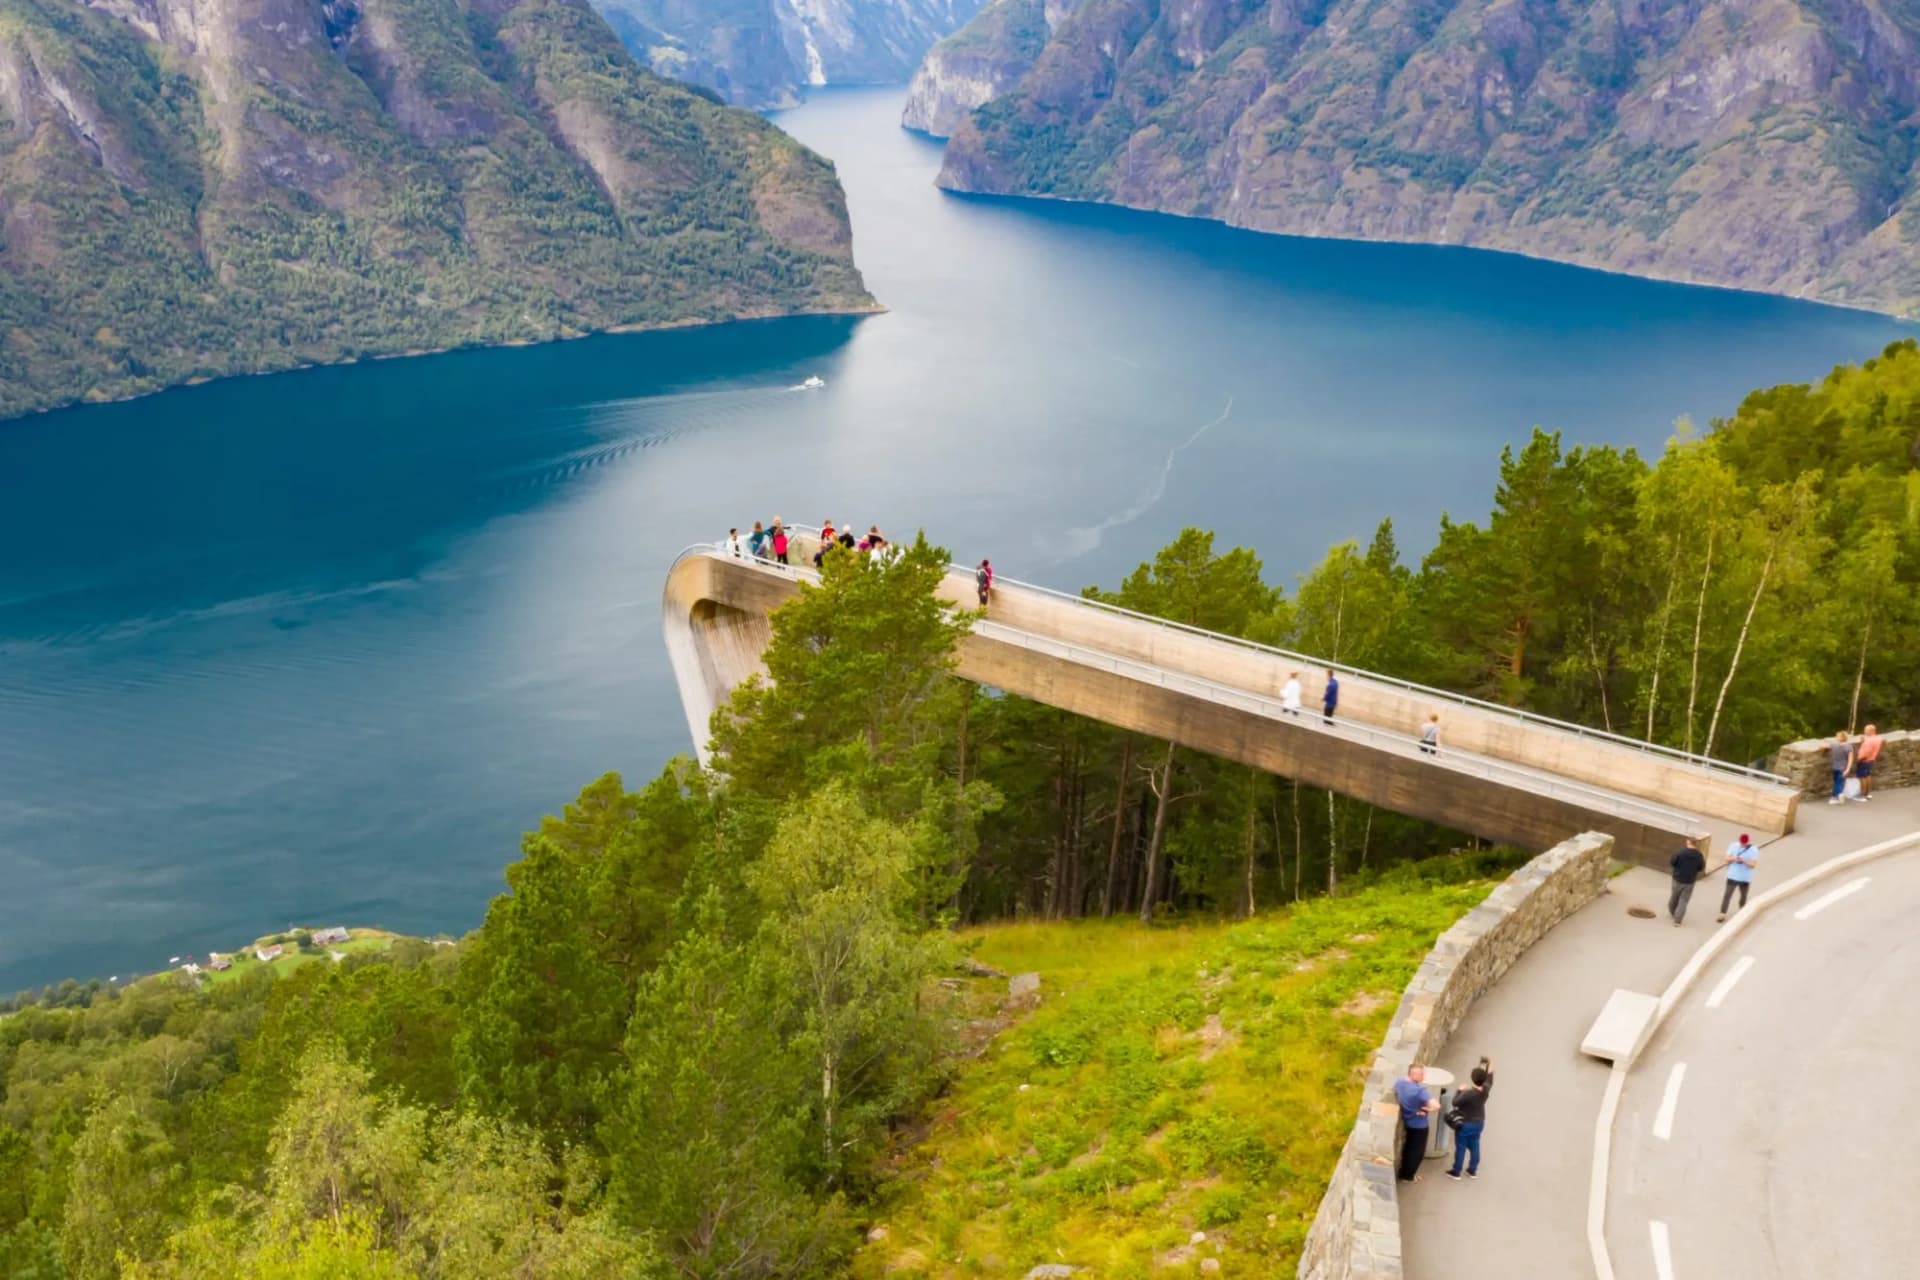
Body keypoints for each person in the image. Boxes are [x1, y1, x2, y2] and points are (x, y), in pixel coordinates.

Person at [1445, 1056, 1494, 1180]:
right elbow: (1490, 1076)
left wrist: (1459, 1090)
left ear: (1472, 1079)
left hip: (1466, 1123)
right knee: (1475, 1145)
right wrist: (1490, 1062)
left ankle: (1456, 1171)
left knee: (1461, 1147)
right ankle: (1472, 1170)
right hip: (1479, 1122)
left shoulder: (1468, 1094)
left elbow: (1455, 1102)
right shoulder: (1486, 1090)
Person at [1394, 1063, 1443, 1182]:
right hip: (1420, 1125)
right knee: (1417, 1152)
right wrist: (1427, 1109)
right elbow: (1437, 1106)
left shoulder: (1399, 1082)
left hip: (1408, 1121)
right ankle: (1408, 1176)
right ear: (1414, 1075)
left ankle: (1404, 1172)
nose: (1423, 1076)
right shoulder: (1420, 1091)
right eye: (1421, 1074)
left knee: (1408, 1148)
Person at [1718, 834, 1758, 921]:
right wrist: (1733, 859)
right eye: (1741, 843)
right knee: (1727, 895)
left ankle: (1742, 913)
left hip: (1745, 878)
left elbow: (1753, 865)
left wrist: (1744, 861)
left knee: (1743, 897)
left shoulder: (1754, 850)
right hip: (1732, 876)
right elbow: (1726, 858)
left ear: (1748, 842)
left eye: (1744, 843)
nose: (1742, 845)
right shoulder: (1733, 845)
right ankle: (1722, 914)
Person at [1668, 835, 1706, 926]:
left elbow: (1672, 862)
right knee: (1683, 900)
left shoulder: (1680, 852)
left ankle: (1673, 912)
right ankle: (1677, 920)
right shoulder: (1699, 855)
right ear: (1695, 844)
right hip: (1689, 881)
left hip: (1677, 879)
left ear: (1688, 842)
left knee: (1674, 897)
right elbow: (1701, 867)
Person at [1855, 724, 1883, 799]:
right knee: (1867, 775)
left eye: (1866, 730)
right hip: (1871, 759)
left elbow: (1867, 753)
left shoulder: (1869, 741)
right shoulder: (1878, 738)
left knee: (1862, 777)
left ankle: (1862, 795)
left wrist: (1859, 760)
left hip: (1864, 760)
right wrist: (1863, 741)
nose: (1864, 732)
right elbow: (1883, 742)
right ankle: (1867, 794)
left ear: (1871, 731)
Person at [1828, 730, 1854, 805]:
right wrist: (1848, 769)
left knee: (1836, 782)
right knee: (1839, 783)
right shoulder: (1849, 746)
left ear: (1840, 738)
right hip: (1843, 768)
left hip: (1834, 767)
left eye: (1837, 736)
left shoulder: (1833, 745)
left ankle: (1837, 796)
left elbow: (1823, 746)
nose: (1836, 737)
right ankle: (1835, 797)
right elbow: (1850, 759)